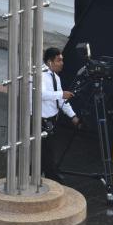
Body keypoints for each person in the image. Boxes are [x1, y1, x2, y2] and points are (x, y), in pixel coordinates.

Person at [41, 47, 79, 183]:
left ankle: (45, 173)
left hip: (52, 119)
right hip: (41, 120)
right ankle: (48, 175)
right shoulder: (40, 75)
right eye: (59, 60)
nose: (62, 63)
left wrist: (73, 116)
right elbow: (41, 94)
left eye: (62, 60)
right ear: (50, 62)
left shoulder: (55, 77)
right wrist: (61, 94)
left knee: (47, 149)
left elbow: (61, 99)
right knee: (46, 149)